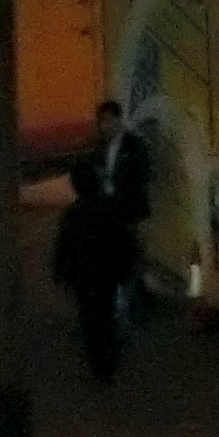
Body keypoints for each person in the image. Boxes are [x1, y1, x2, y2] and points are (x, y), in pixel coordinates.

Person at [53, 164, 137, 383]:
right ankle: (108, 359)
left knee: (89, 317)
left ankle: (97, 361)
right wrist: (126, 269)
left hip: (84, 277)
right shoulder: (110, 209)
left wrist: (61, 273)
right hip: (108, 274)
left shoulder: (74, 215)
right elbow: (125, 242)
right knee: (106, 314)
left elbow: (65, 248)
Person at [92, 99, 150, 331]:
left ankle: (128, 304)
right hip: (108, 211)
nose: (105, 125)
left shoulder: (133, 145)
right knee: (114, 258)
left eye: (109, 120)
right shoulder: (100, 148)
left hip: (127, 211)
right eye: (102, 121)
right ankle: (121, 303)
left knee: (128, 257)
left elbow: (142, 177)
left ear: (118, 119)